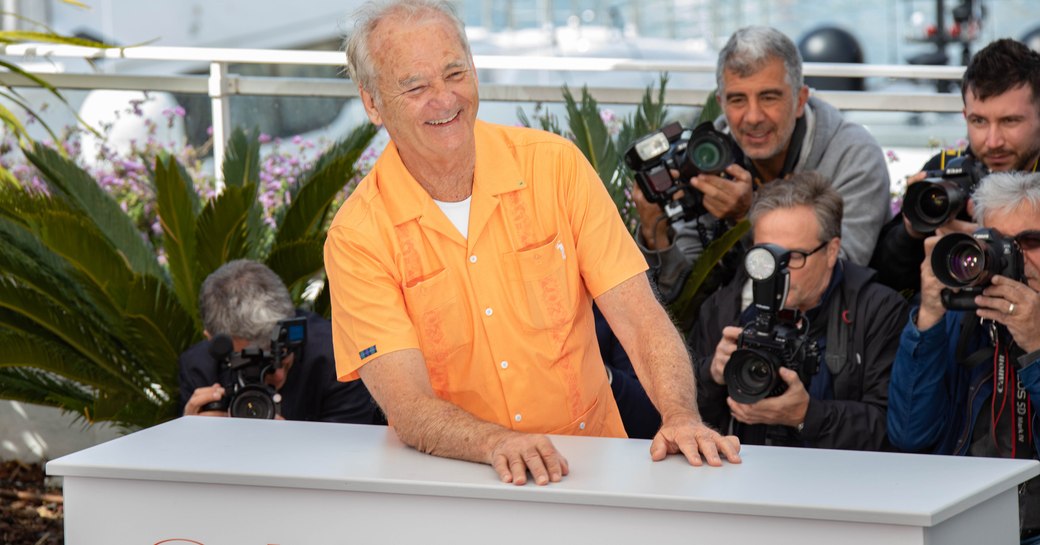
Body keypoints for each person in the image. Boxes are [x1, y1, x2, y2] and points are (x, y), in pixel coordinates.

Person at [324, 0, 740, 487]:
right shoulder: (356, 237)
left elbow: (639, 316)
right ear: (372, 103)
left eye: (455, 73)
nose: (444, 99)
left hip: (594, 468)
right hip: (458, 481)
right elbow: (407, 404)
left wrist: (680, 416)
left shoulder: (555, 165)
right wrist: (494, 443)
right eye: (415, 86)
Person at [635, 26, 890, 301]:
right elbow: (689, 294)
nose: (753, 116)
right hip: (726, 328)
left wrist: (746, 219)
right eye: (737, 99)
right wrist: (655, 234)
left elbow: (840, 272)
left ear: (800, 100)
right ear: (721, 103)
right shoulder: (707, 157)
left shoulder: (853, 155)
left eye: (769, 97)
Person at [690, 172, 907, 450]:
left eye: (792, 257)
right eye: (765, 257)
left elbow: (891, 429)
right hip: (743, 476)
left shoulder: (877, 311)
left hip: (837, 484)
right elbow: (684, 420)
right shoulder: (726, 308)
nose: (777, 274)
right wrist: (712, 373)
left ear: (831, 252)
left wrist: (806, 416)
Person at [887, 171, 1040, 543]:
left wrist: (1036, 346)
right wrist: (928, 318)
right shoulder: (959, 316)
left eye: (1030, 241)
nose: (1015, 255)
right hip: (958, 522)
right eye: (1000, 242)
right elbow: (909, 435)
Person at [870, 38, 1040, 294]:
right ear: (964, 116)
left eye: (1009, 121)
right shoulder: (946, 171)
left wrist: (993, 238)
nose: (993, 141)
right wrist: (911, 232)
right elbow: (885, 282)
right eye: (979, 121)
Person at [179, 259, 385, 425]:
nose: (276, 373)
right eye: (255, 362)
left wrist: (288, 441)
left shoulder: (338, 357)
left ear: (292, 321)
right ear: (212, 341)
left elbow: (351, 457)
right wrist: (192, 433)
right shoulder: (199, 369)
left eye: (282, 354)